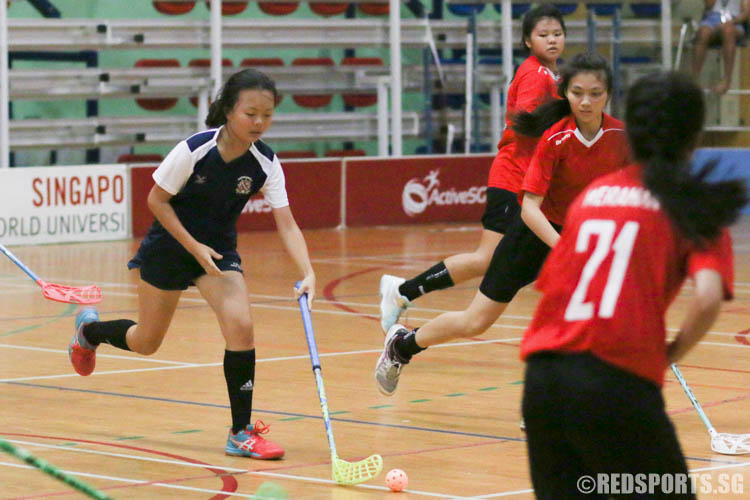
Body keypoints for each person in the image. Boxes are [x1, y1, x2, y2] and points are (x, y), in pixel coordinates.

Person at [67, 69, 316, 460]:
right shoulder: (195, 150)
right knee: (147, 341)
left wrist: (308, 272)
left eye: (267, 115)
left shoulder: (265, 162)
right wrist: (192, 246)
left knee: (242, 328)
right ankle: (90, 330)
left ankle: (240, 432)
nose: (259, 123)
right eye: (250, 113)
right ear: (230, 110)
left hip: (217, 254)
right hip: (170, 247)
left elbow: (286, 222)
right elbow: (156, 201)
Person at [520, 71, 747, 499]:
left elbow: (555, 289)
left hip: (543, 382)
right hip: (615, 384)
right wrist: (670, 353)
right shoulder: (692, 203)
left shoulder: (593, 196)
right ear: (694, 134)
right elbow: (708, 295)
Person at [375, 52, 630, 396]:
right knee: (475, 321)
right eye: (577, 92)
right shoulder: (555, 139)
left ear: (609, 93)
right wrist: (564, 247)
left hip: (582, 237)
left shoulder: (621, 136)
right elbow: (529, 209)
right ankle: (403, 347)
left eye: (595, 93)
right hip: (536, 237)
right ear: (565, 93)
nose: (586, 102)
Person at [378, 4, 566, 333]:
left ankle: (402, 291)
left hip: (526, 180)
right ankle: (402, 291)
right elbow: (526, 122)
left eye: (557, 34)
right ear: (527, 41)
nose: (552, 40)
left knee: (499, 260)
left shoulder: (553, 76)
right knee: (489, 259)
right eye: (543, 35)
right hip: (513, 178)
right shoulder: (536, 75)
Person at [691, 0, 750, 94]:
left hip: (734, 20)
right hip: (712, 19)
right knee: (702, 33)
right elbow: (709, 5)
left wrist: (731, 22)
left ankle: (727, 80)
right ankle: (694, 80)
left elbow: (746, 13)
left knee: (727, 30)